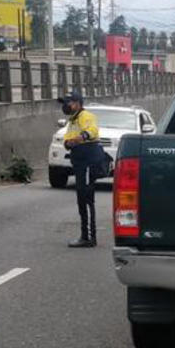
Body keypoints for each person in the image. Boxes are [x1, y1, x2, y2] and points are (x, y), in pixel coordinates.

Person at [59, 91, 103, 248]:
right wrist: (68, 143)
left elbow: (92, 131)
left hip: (87, 161)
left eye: (68, 102)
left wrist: (79, 138)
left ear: (77, 103)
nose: (65, 105)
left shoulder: (85, 116)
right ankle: (85, 235)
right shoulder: (72, 120)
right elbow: (66, 140)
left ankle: (89, 237)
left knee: (86, 197)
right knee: (81, 198)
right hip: (79, 161)